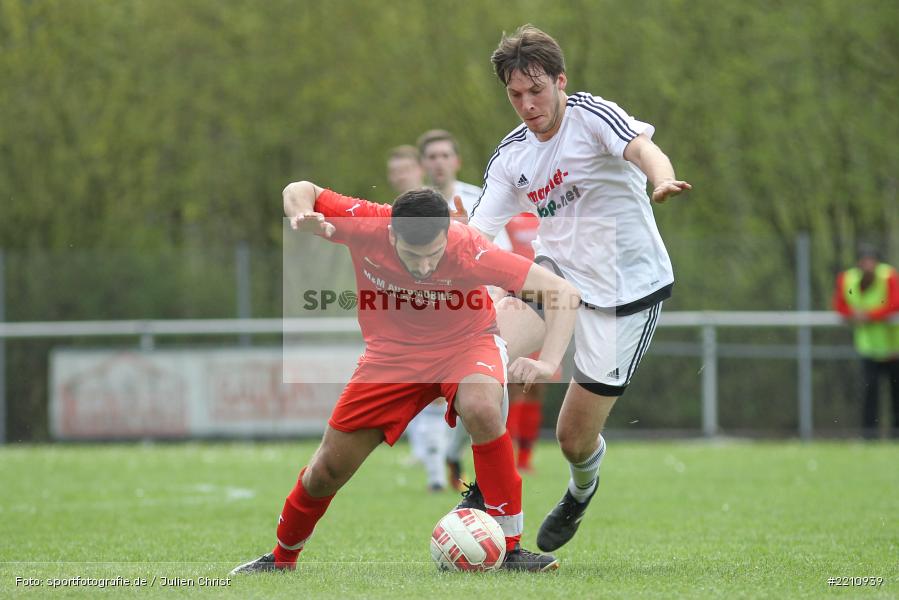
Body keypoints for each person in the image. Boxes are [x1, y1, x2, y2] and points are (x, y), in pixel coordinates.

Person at [232, 181, 580, 573]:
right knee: (325, 470)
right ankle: (280, 561)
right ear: (392, 234)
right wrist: (300, 214)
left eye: (434, 255)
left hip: (465, 345)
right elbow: (299, 188)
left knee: (482, 407)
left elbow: (561, 293)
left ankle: (510, 548)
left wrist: (548, 364)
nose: (426, 267)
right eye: (415, 257)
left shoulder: (467, 247)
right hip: (391, 359)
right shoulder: (367, 223)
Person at [457, 24, 692, 554]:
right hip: (555, 277)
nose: (527, 104)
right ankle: (487, 488)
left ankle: (580, 492)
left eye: (536, 90)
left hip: (628, 295)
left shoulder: (592, 117)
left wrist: (661, 180)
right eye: (515, 95)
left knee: (573, 439)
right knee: (484, 353)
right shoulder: (511, 156)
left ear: (561, 81)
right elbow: (478, 236)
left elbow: (643, 149)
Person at [417, 128, 513, 489]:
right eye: (432, 156)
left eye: (445, 155)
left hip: (479, 314)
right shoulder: (411, 206)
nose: (439, 162)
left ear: (455, 161)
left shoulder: (478, 200)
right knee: (437, 398)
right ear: (423, 163)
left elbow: (499, 259)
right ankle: (439, 469)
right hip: (432, 318)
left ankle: (462, 458)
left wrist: (500, 302)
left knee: (485, 395)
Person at [832, 244, 899, 438]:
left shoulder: (888, 276)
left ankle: (896, 435)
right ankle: (869, 436)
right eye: (865, 261)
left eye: (872, 261)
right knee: (870, 395)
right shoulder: (848, 279)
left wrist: (870, 316)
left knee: (896, 396)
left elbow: (894, 303)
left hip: (893, 347)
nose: (868, 265)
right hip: (868, 348)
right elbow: (839, 305)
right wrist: (854, 315)